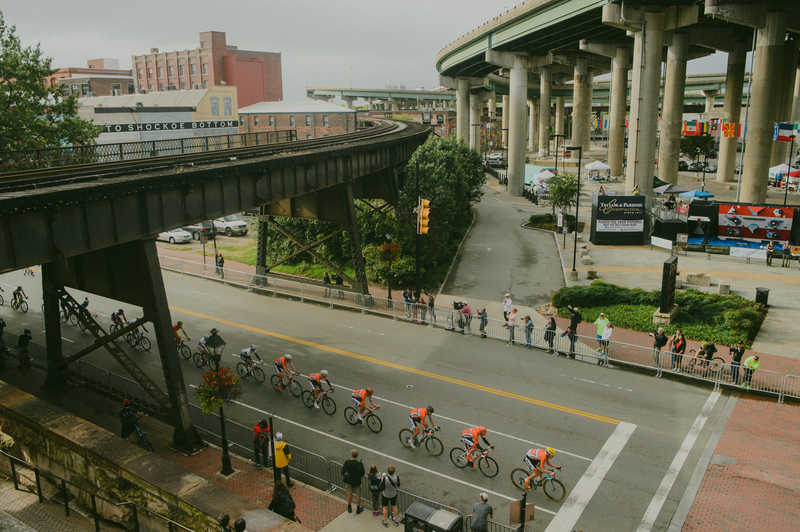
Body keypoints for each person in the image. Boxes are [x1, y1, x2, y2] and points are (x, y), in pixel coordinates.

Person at [342, 449, 366, 514]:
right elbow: (362, 474)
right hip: (357, 481)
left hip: (349, 481)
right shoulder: (360, 464)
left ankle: (349, 507)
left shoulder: (347, 462)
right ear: (357, 455)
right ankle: (358, 508)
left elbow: (342, 471)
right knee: (358, 494)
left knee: (349, 493)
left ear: (351, 455)